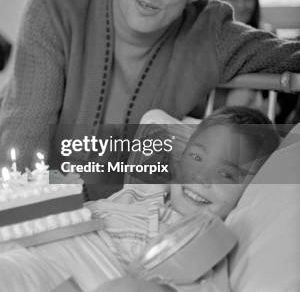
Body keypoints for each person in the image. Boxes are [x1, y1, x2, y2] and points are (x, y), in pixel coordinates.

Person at [0, 0, 300, 199]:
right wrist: (15, 218)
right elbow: (24, 136)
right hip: (44, 213)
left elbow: (288, 55)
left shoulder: (209, 31)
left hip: (137, 222)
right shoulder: (56, 1)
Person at [84, 106, 279, 292]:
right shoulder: (139, 194)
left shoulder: (206, 246)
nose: (200, 176)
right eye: (196, 157)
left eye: (226, 174)